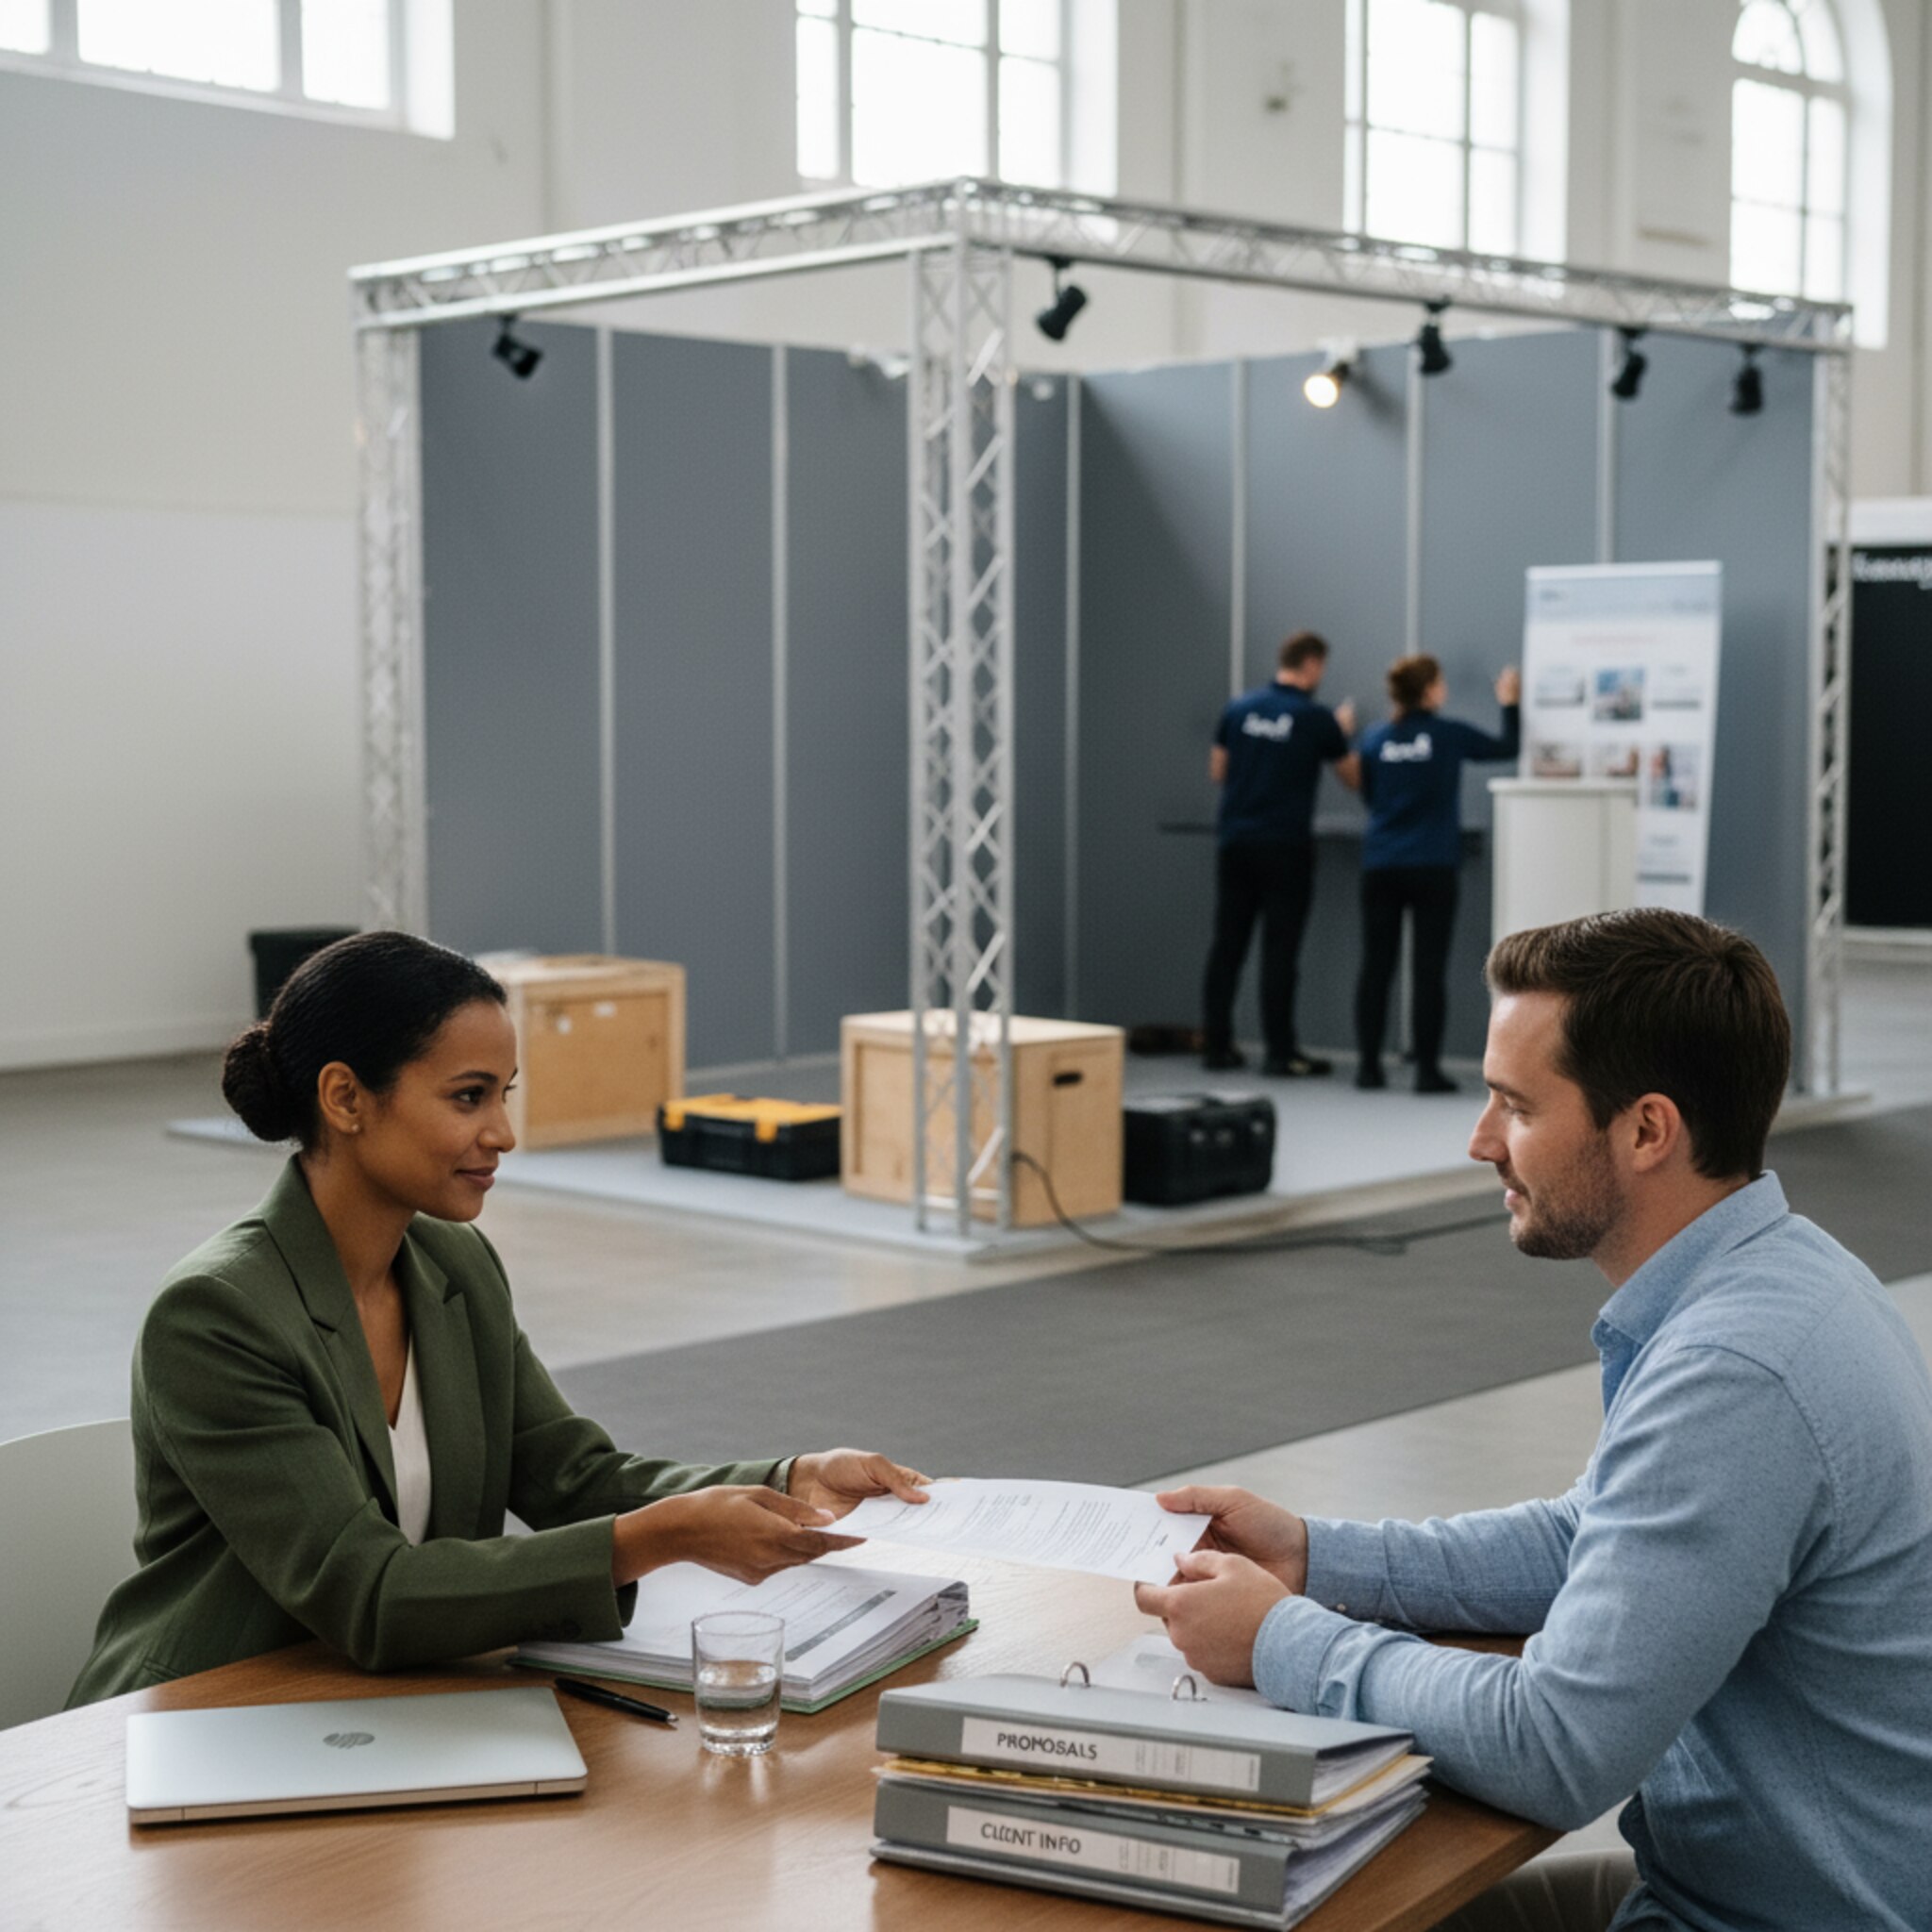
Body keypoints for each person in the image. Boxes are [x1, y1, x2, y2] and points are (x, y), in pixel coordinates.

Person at [1138, 910, 1932, 1931]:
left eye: (1513, 1105)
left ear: (1646, 1129)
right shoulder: (1788, 1272)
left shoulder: (1732, 1370)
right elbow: (1592, 1532)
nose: (1479, 1141)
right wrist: (1312, 1553)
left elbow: (1553, 1745)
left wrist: (1279, 1638)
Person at [69, 932, 926, 1706]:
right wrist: (656, 1538)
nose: (504, 1133)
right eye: (469, 1097)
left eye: (503, 1094)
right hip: (213, 1716)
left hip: (385, 1704)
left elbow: (570, 1476)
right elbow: (368, 1593)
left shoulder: (455, 1268)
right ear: (345, 1098)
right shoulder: (218, 1315)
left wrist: (788, 1480)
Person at [1350, 656, 1521, 1094]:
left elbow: (1369, 794)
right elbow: (1506, 747)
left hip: (1382, 863)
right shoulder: (1447, 735)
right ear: (1428, 691)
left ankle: (1368, 1068)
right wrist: (1509, 703)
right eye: (1440, 683)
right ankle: (1427, 1071)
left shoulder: (1375, 739)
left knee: (1376, 967)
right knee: (1428, 970)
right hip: (1432, 865)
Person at [1202, 631, 1359, 1076]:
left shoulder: (1238, 708)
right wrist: (1342, 733)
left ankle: (1217, 1045)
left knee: (1227, 946)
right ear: (1311, 665)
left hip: (1236, 842)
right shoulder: (1316, 718)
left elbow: (1218, 771)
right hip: (1285, 847)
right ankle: (1279, 1052)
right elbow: (1352, 778)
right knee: (1280, 951)